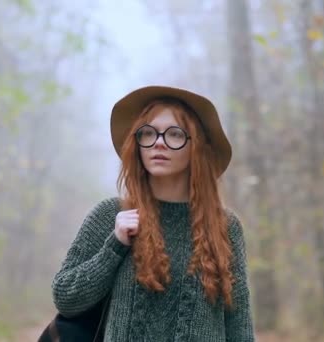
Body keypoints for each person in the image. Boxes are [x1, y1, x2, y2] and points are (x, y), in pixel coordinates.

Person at [51, 85, 255, 341]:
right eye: (148, 133)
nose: (158, 142)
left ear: (197, 147)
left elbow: (238, 322)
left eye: (175, 134)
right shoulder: (110, 215)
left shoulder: (225, 226)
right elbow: (66, 298)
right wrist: (115, 246)